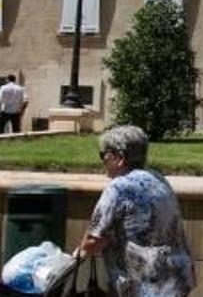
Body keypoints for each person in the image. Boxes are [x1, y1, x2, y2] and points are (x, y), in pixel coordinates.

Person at [77, 125, 196, 296]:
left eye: (104, 154)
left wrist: (74, 257)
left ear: (119, 157)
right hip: (178, 278)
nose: (103, 160)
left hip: (146, 283)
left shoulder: (119, 187)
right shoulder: (158, 178)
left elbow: (92, 241)